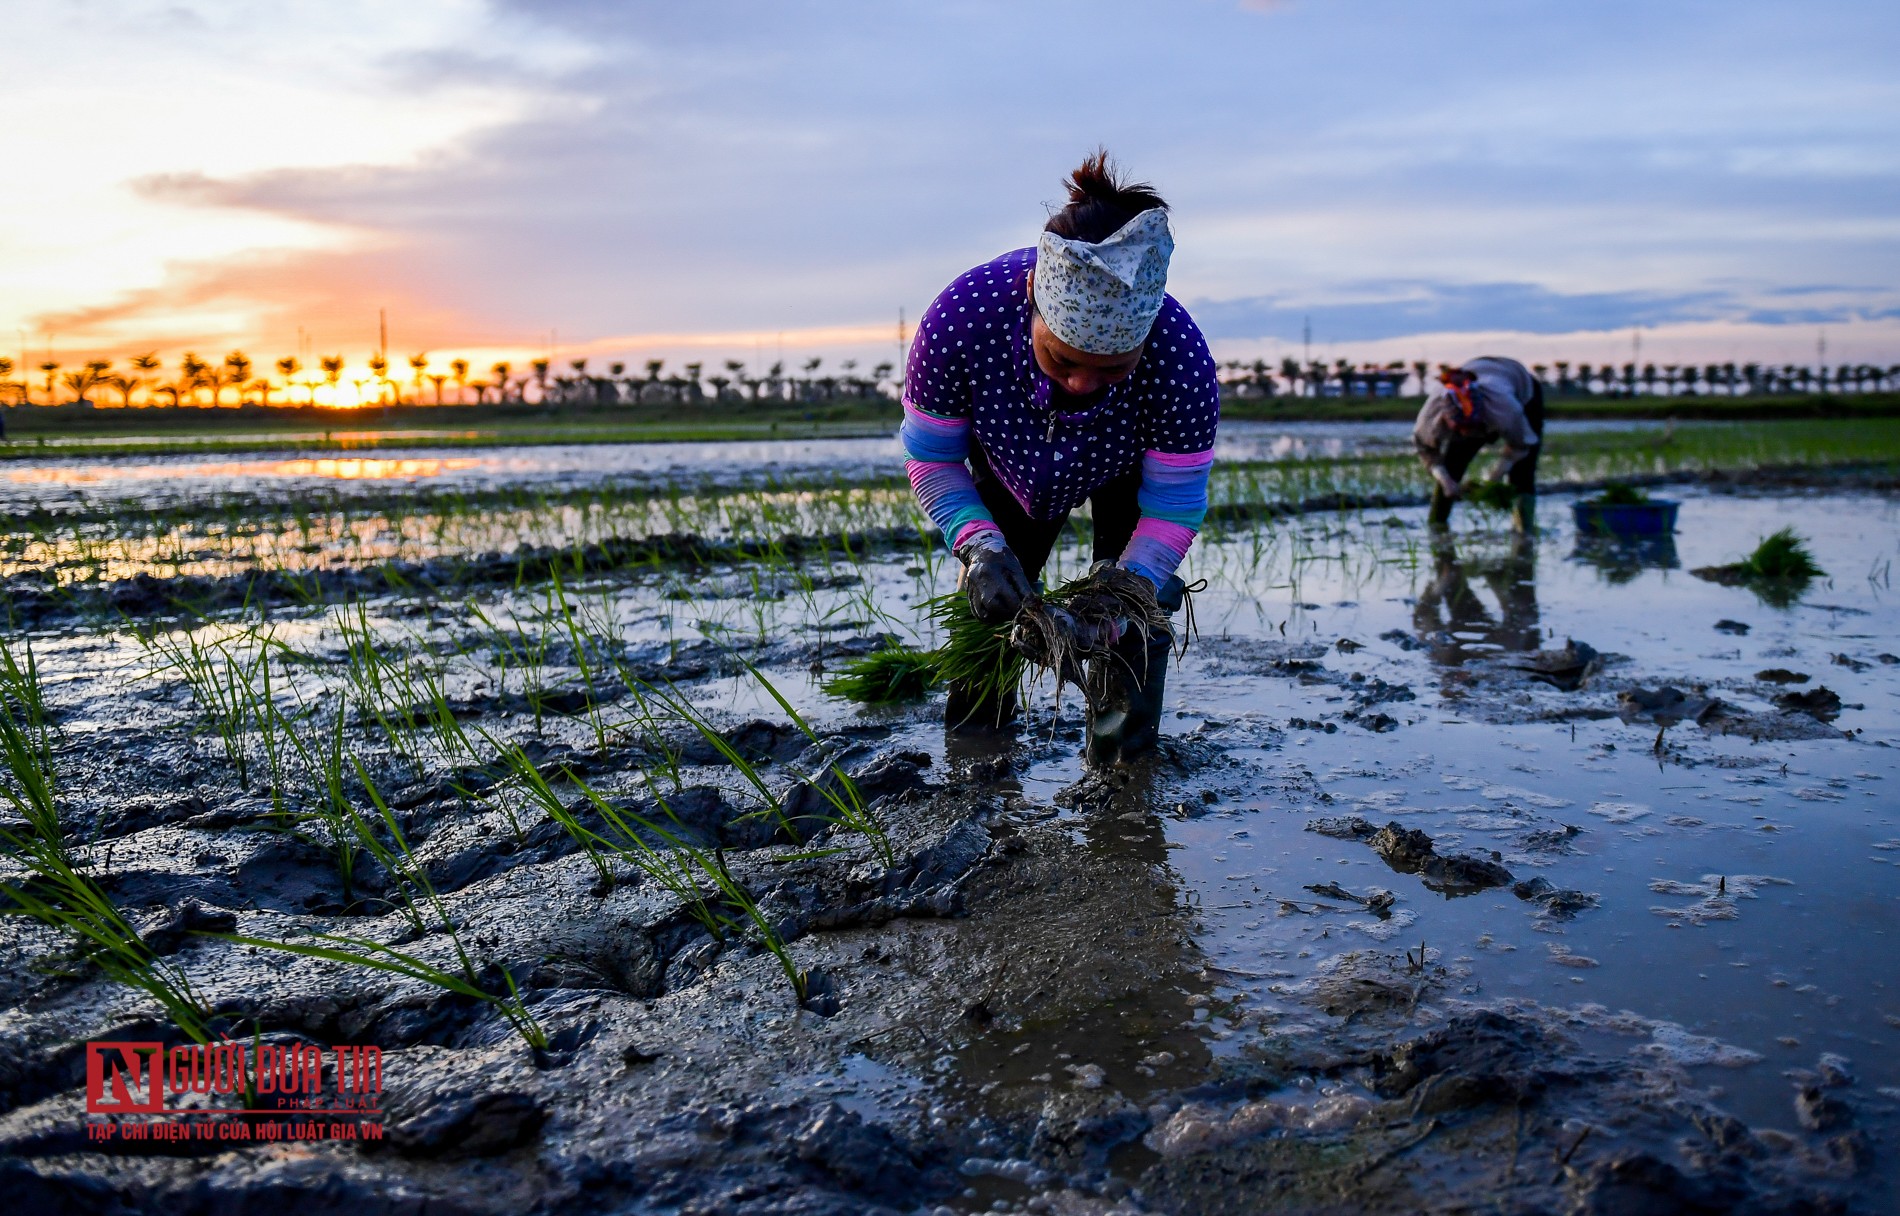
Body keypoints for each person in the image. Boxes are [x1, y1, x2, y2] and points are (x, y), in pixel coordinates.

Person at [900, 152, 1220, 763]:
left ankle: (1122, 768)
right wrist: (977, 545)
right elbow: (933, 459)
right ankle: (979, 759)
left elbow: (1175, 507)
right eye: (1063, 359)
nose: (1081, 385)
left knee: (1129, 619)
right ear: (1032, 300)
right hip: (1010, 463)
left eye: (1111, 370)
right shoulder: (962, 321)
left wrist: (1120, 596)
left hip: (1124, 470)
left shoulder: (1179, 362)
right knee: (990, 614)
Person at [1413, 356, 1544, 529]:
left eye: (1473, 431)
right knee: (1452, 464)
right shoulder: (1431, 417)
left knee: (1522, 471)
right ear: (1448, 422)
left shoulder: (1506, 411)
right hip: (1485, 379)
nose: (1470, 436)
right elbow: (1427, 452)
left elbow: (1521, 446)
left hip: (1521, 388)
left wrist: (1494, 478)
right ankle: (1437, 524)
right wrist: (1446, 482)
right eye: (1463, 431)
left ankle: (1524, 530)